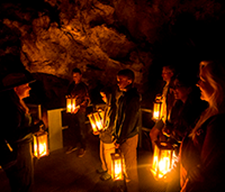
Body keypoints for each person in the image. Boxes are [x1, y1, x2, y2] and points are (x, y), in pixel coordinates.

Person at [179, 60, 225, 191]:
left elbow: (207, 173)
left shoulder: (218, 123)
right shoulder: (208, 112)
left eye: (203, 80)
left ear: (217, 84)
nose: (198, 84)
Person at [161, 72, 208, 192]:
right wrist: (168, 129)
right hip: (178, 153)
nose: (174, 90)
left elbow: (189, 134)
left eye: (178, 86)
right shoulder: (177, 106)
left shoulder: (196, 110)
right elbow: (171, 124)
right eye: (174, 86)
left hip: (188, 157)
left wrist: (174, 136)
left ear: (189, 89)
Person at [0, 71, 45, 192]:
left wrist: (33, 123)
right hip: (19, 155)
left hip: (21, 153)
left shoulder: (17, 103)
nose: (29, 87)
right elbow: (11, 135)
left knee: (24, 183)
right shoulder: (12, 109)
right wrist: (33, 129)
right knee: (23, 185)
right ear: (16, 89)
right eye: (26, 85)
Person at [113, 69, 141, 192]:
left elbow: (128, 121)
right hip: (124, 136)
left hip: (128, 137)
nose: (118, 83)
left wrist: (120, 138)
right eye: (117, 81)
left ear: (129, 81)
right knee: (124, 165)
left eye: (120, 81)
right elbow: (120, 119)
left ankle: (132, 189)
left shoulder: (132, 99)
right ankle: (125, 188)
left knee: (130, 168)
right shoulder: (124, 97)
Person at [93, 86, 117, 181]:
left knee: (108, 153)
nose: (102, 98)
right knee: (102, 152)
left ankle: (110, 172)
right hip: (103, 134)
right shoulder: (107, 106)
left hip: (108, 135)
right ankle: (104, 167)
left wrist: (102, 130)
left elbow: (111, 124)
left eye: (103, 96)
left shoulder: (113, 108)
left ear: (109, 96)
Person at [150, 64, 176, 150]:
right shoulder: (166, 86)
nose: (162, 75)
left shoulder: (173, 87)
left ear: (171, 74)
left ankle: (159, 156)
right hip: (163, 117)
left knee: (156, 134)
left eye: (164, 73)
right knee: (156, 134)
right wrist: (160, 98)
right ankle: (158, 155)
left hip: (168, 118)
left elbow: (172, 103)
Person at [65, 68, 90, 157]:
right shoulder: (71, 85)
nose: (74, 77)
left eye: (76, 75)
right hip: (72, 111)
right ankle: (73, 144)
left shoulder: (83, 87)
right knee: (72, 128)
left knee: (81, 129)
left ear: (80, 76)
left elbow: (87, 99)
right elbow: (68, 95)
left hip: (80, 111)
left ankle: (83, 146)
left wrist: (78, 107)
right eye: (73, 76)